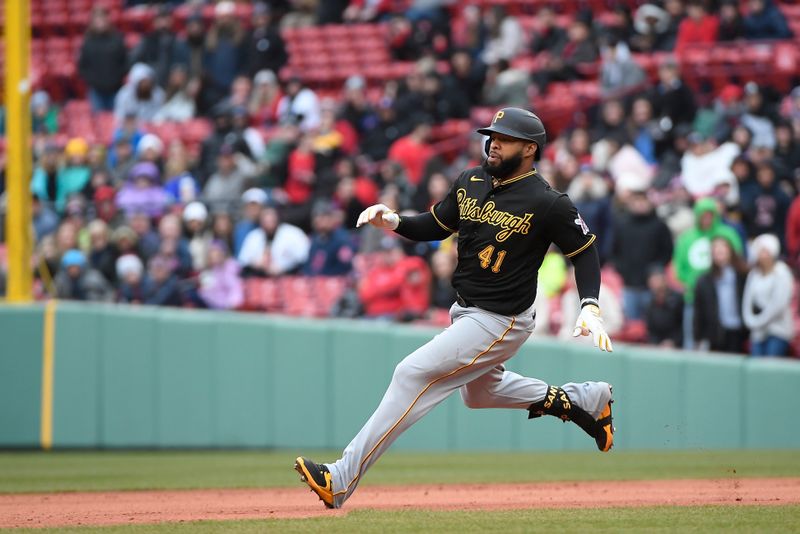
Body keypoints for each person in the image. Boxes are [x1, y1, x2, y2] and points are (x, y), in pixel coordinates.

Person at [294, 108, 615, 509]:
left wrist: (589, 305)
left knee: (410, 373)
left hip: (502, 318)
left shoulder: (548, 202)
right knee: (479, 394)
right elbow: (436, 224)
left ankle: (340, 477)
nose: (494, 142)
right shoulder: (472, 179)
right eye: (492, 134)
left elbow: (584, 252)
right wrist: (394, 221)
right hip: (467, 310)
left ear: (530, 149)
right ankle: (582, 400)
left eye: (506, 138)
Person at [693, 237, 749, 354]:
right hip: (716, 333)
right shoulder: (704, 280)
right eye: (715, 248)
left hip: (738, 331)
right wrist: (698, 338)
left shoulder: (743, 275)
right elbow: (699, 312)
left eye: (722, 247)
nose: (719, 251)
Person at [742, 234, 795, 357]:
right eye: (760, 251)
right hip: (757, 332)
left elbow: (778, 304)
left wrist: (758, 321)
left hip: (778, 330)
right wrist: (750, 321)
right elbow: (747, 301)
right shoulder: (753, 274)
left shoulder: (782, 272)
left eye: (765, 251)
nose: (762, 255)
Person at [78, 6, 128, 112]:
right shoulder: (88, 42)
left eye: (102, 18)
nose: (100, 22)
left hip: (116, 89)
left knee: (116, 122)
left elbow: (125, 61)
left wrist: (117, 78)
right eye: (97, 19)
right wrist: (92, 81)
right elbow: (82, 66)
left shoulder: (117, 39)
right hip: (96, 91)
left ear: (108, 20)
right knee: (98, 123)